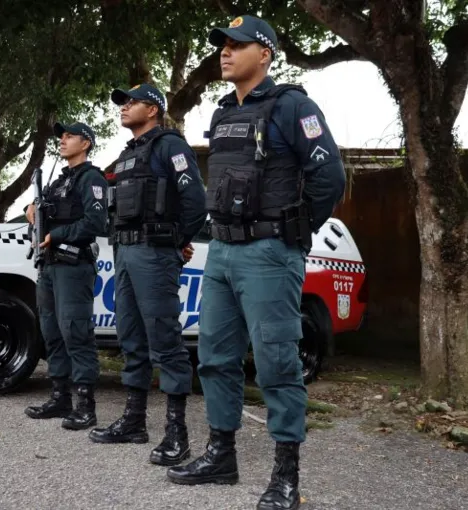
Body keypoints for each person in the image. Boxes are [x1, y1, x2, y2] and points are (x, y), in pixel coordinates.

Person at [166, 15, 347, 510]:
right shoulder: (224, 113)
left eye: (236, 45)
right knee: (215, 358)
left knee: (276, 364)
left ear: (264, 53)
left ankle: (285, 474)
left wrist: (293, 230)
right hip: (221, 251)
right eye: (222, 45)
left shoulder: (293, 106)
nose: (225, 52)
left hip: (269, 253)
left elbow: (330, 177)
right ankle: (221, 455)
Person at [88, 83, 207, 468]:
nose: (123, 107)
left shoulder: (169, 145)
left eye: (131, 102)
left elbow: (195, 201)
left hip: (154, 253)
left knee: (165, 341)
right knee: (132, 338)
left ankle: (177, 434)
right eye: (121, 102)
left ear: (153, 109)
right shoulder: (126, 155)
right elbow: (96, 190)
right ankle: (134, 421)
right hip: (124, 252)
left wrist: (176, 242)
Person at [24, 121, 108, 431]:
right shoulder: (58, 182)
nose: (63, 140)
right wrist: (30, 209)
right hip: (49, 266)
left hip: (73, 266)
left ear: (85, 143)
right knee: (52, 332)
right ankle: (60, 398)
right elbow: (40, 208)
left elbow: (96, 223)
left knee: (76, 333)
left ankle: (86, 406)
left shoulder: (92, 179)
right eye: (62, 135)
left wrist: (58, 234)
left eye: (70, 136)